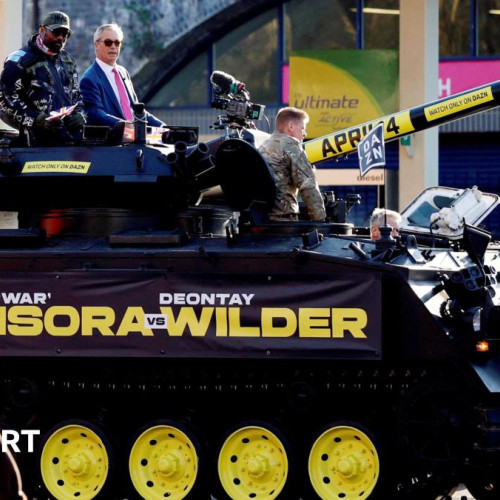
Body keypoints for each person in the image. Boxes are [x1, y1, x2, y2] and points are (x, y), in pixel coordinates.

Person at [0, 11, 86, 146]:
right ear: (42, 30)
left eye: (65, 34)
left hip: (69, 141)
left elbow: (76, 96)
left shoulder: (67, 60)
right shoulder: (19, 61)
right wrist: (38, 120)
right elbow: (5, 102)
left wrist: (79, 114)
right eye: (56, 32)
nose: (61, 38)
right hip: (35, 143)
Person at [80, 23, 165, 129]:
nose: (113, 46)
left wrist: (163, 127)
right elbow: (94, 114)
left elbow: (136, 110)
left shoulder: (123, 72)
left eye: (117, 42)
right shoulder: (89, 79)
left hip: (134, 136)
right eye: (108, 42)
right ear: (97, 45)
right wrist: (125, 125)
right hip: (113, 138)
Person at [259, 106, 326, 222]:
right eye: (302, 128)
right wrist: (320, 219)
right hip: (283, 220)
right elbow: (307, 184)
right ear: (291, 127)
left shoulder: (263, 145)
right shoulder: (290, 143)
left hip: (262, 219)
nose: (305, 134)